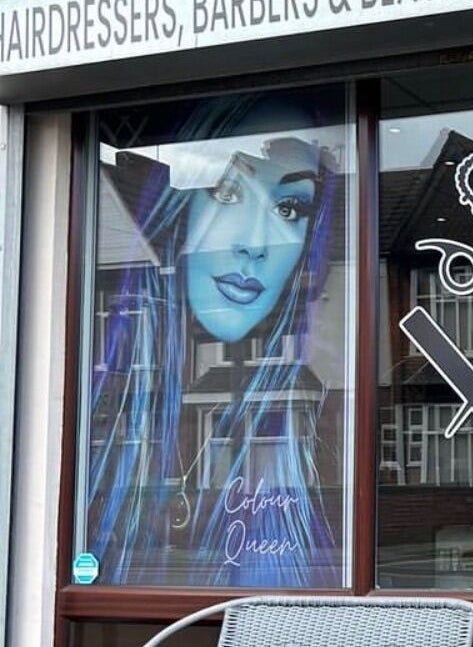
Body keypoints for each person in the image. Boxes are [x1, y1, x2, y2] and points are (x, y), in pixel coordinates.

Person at [86, 92, 343, 587]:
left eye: (289, 208)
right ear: (175, 210)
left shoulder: (306, 416)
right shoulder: (93, 416)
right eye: (226, 193)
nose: (255, 243)